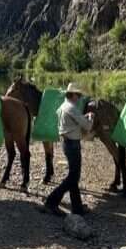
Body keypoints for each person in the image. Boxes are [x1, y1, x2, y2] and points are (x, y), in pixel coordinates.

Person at [41, 82, 95, 217]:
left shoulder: (63, 106)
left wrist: (83, 117)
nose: (79, 96)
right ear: (73, 94)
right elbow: (87, 126)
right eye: (78, 94)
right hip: (72, 144)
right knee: (73, 177)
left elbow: (74, 122)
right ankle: (51, 202)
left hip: (66, 143)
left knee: (73, 175)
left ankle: (77, 208)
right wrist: (91, 118)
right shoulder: (72, 108)